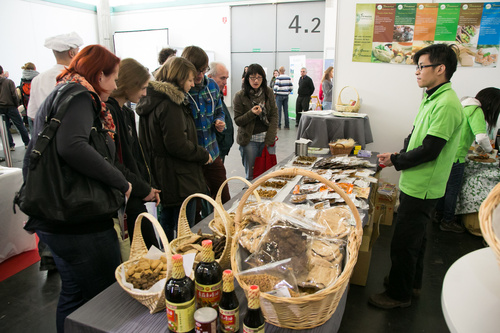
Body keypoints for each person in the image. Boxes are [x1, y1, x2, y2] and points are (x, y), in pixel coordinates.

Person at [23, 44, 131, 333]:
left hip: (56, 217)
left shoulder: (62, 91)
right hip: (76, 219)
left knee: (73, 293)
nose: (117, 84)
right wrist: (120, 182)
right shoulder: (80, 96)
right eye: (114, 77)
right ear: (99, 76)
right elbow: (73, 147)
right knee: (102, 299)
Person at [369, 44, 463, 309]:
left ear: (440, 69)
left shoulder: (446, 104)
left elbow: (431, 149)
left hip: (423, 186)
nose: (417, 72)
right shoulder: (431, 97)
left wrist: (397, 160)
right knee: (417, 240)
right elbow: (416, 135)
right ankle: (412, 283)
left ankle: (398, 295)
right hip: (416, 180)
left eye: (422, 67)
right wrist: (398, 154)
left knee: (404, 243)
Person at [26, 31, 83, 272]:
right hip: (68, 155)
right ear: (72, 53)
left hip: (42, 153)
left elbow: (31, 116)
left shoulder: (39, 79)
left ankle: (48, 255)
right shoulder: (75, 78)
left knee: (46, 202)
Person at [136, 56, 211, 241]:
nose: (192, 85)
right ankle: (182, 263)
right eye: (190, 80)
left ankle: (169, 260)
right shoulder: (171, 104)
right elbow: (177, 144)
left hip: (163, 173)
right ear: (179, 78)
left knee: (167, 222)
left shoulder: (152, 100)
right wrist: (203, 154)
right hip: (180, 177)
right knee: (185, 228)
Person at [106, 58, 161, 248]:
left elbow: (137, 157)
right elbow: (116, 162)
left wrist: (147, 186)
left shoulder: (126, 113)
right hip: (125, 195)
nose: (145, 93)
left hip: (135, 190)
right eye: (142, 88)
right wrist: (143, 188)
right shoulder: (110, 113)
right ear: (129, 84)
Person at [435, 87, 500, 233]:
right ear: (491, 104)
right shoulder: (477, 111)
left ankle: (438, 214)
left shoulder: (465, 105)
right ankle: (448, 221)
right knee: (453, 190)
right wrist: (491, 152)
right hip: (457, 157)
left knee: (444, 188)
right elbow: (481, 137)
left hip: (447, 153)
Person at [181, 46, 230, 207]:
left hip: (212, 152)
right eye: (196, 71)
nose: (200, 75)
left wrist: (219, 121)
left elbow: (219, 110)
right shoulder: (181, 92)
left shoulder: (212, 86)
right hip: (191, 159)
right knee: (194, 206)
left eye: (204, 70)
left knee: (224, 198)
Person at [28, 32, 83, 134]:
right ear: (72, 54)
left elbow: (33, 114)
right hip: (75, 136)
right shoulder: (79, 78)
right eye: (78, 51)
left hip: (47, 138)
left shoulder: (37, 79)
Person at [233, 63, 278, 180]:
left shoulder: (268, 92)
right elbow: (238, 120)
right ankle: (251, 196)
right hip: (249, 141)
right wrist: (251, 114)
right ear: (247, 79)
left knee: (268, 174)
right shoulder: (240, 95)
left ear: (263, 78)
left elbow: (274, 115)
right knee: (252, 175)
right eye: (252, 77)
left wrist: (270, 138)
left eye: (259, 77)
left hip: (267, 139)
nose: (256, 81)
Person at [207, 61, 234, 162]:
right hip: (214, 151)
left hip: (221, 150)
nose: (225, 82)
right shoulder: (207, 99)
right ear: (210, 77)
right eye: (222, 78)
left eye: (226, 78)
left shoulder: (218, 95)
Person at [0, 65, 30, 151]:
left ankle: (10, 145)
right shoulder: (9, 82)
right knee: (20, 125)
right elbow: (14, 95)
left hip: (1, 108)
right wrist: (17, 105)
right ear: (2, 72)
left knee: (5, 128)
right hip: (11, 106)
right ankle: (27, 143)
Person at [18, 62, 39, 127]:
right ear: (34, 68)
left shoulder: (23, 80)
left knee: (32, 129)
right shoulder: (38, 77)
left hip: (28, 106)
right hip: (38, 106)